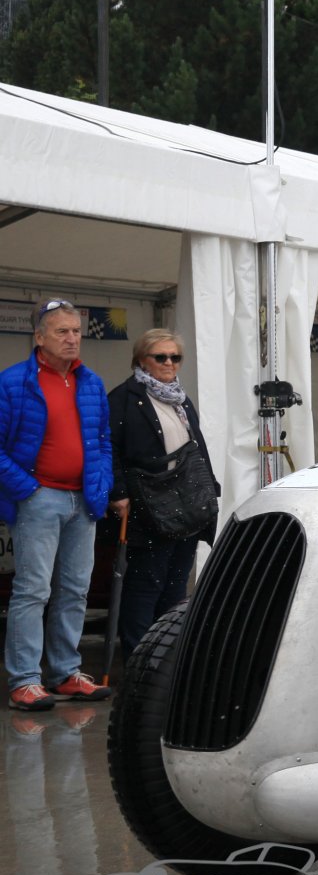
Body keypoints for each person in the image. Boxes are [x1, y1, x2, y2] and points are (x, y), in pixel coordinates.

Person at [1, 299, 113, 711]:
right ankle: (25, 681)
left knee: (75, 590)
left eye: (76, 331)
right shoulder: (13, 382)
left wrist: (100, 485)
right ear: (39, 337)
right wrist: (28, 489)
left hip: (83, 499)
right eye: (62, 331)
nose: (72, 338)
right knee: (33, 590)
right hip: (40, 499)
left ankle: (65, 672)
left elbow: (103, 441)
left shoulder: (91, 382)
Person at [108, 329, 219, 659]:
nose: (169, 363)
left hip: (186, 505)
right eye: (161, 357)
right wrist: (118, 492)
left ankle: (166, 662)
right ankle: (139, 660)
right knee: (146, 585)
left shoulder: (181, 399)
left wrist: (209, 489)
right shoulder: (123, 399)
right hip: (148, 505)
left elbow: (197, 448)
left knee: (176, 585)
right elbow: (108, 448)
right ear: (142, 360)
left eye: (175, 357)